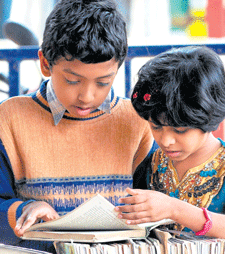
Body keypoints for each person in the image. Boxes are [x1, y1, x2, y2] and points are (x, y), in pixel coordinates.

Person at [0, 0, 153, 252]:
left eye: (103, 82)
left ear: (118, 69)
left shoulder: (137, 121)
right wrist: (24, 209)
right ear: (45, 64)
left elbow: (156, 201)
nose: (87, 96)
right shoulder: (9, 119)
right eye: (72, 80)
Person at [115, 46, 225, 254]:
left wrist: (175, 209)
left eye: (180, 130)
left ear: (209, 118)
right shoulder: (151, 162)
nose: (166, 140)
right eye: (156, 127)